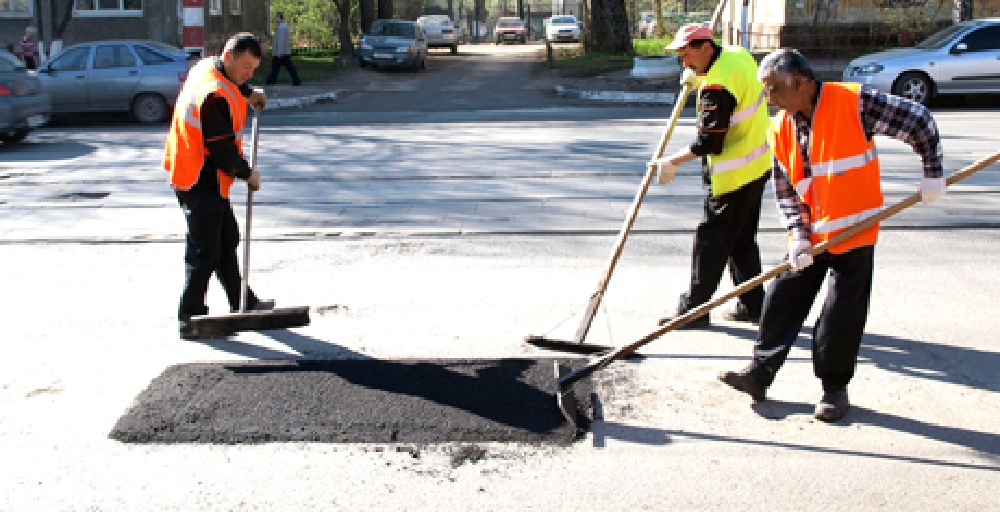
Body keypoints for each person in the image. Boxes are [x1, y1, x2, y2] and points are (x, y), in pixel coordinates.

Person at [717, 49, 946, 422]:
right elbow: (786, 190)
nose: (770, 99)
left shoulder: (854, 103)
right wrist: (799, 235)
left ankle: (834, 391)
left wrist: (933, 172)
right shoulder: (781, 127)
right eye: (767, 92)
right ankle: (759, 375)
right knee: (780, 299)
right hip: (812, 235)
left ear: (802, 82)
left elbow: (918, 119)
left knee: (840, 315)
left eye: (775, 89)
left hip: (854, 233)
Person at [647, 23, 772, 329]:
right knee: (741, 241)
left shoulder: (717, 86)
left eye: (687, 56)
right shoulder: (736, 54)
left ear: (705, 47)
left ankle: (694, 310)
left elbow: (708, 143)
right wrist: (698, 75)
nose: (684, 63)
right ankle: (754, 305)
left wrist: (671, 162)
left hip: (734, 175)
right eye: (680, 57)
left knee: (710, 241)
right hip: (758, 164)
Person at [163, 32, 273, 340]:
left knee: (226, 239)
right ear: (230, 57)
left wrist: (248, 91)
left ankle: (244, 302)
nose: (249, 73)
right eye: (247, 67)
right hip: (198, 176)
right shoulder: (213, 95)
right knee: (205, 248)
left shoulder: (209, 68)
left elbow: (229, 80)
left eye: (254, 68)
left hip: (203, 173)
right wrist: (247, 173)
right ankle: (191, 316)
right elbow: (222, 148)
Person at [265, 12, 302, 86]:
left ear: (279, 17)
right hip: (283, 52)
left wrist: (279, 53)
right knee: (282, 67)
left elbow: (281, 41)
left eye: (276, 17)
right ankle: (272, 80)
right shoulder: (283, 26)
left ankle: (271, 80)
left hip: (281, 53)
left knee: (279, 67)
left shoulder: (282, 27)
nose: (275, 18)